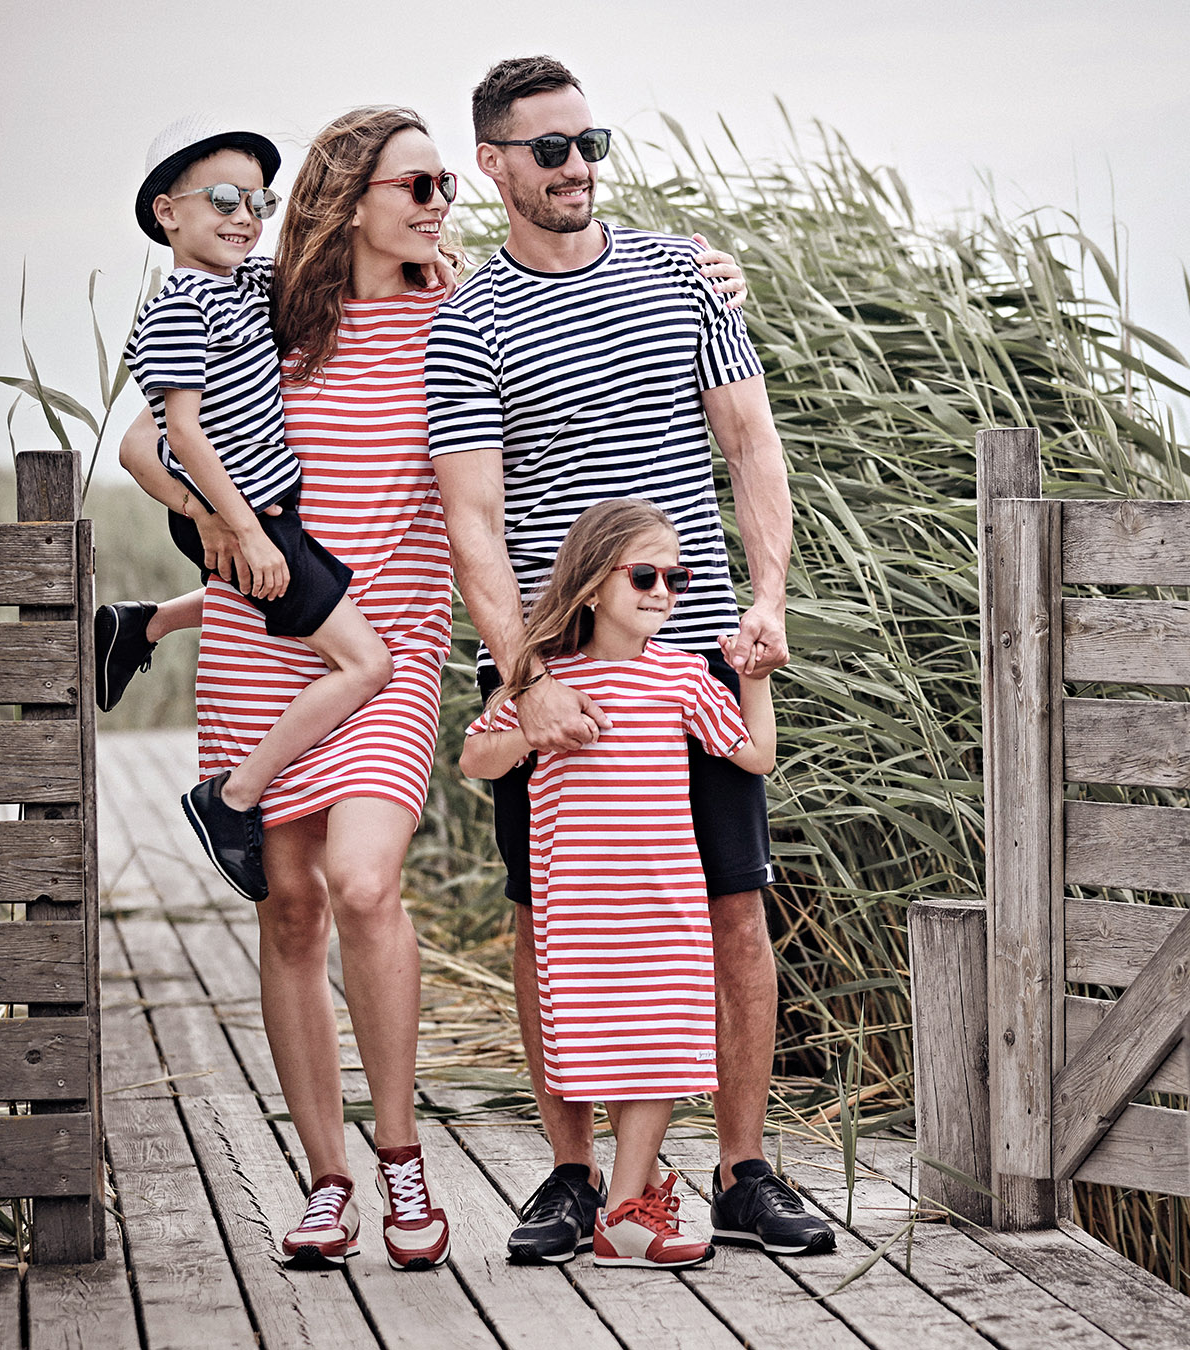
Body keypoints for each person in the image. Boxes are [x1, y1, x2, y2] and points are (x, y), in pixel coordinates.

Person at [426, 55, 836, 1262]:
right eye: (550, 149)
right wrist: (527, 680)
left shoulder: (682, 274)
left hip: (693, 653)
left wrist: (766, 600)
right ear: (494, 163)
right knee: (545, 917)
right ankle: (573, 1178)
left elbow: (751, 445)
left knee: (734, 908)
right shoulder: (470, 320)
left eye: (590, 143)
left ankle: (742, 1172)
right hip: (553, 673)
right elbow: (473, 527)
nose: (578, 168)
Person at [115, 108, 462, 1271]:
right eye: (416, 184)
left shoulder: (461, 313)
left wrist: (704, 270)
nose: (437, 204)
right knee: (292, 908)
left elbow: (576, 288)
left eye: (446, 184)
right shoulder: (273, 314)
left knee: (364, 883)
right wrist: (216, 523)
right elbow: (146, 445)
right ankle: (326, 1182)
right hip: (263, 639)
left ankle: (402, 1156)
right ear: (351, 198)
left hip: (389, 646)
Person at [462, 500, 776, 1269]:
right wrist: (531, 725)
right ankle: (611, 1197)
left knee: (664, 1044)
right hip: (579, 910)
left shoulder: (683, 676)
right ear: (593, 584)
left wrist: (754, 679)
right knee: (602, 1041)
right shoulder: (544, 682)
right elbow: (475, 759)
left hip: (669, 905)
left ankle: (626, 1208)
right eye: (644, 576)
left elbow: (755, 755)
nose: (664, 591)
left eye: (677, 577)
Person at [116, 115, 395, 904]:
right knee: (366, 663)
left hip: (263, 512)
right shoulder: (180, 306)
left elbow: (330, 263)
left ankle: (141, 624)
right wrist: (238, 527)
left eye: (258, 202)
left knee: (283, 597)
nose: (245, 216)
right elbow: (179, 431)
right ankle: (232, 797)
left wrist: (437, 259)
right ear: (168, 212)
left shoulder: (245, 283)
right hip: (249, 517)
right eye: (223, 200)